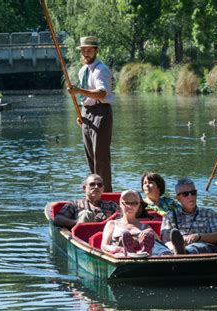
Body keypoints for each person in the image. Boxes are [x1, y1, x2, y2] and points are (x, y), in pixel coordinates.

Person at [67, 36, 114, 192]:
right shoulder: (83, 71)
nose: (86, 53)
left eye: (89, 50)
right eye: (83, 51)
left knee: (100, 158)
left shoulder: (101, 70)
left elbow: (101, 94)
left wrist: (78, 90)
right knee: (91, 157)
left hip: (101, 113)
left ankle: (106, 194)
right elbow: (86, 98)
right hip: (87, 114)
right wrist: (81, 113)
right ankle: (95, 193)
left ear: (96, 51)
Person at [161, 178, 217, 254]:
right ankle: (179, 251)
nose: (190, 196)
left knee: (197, 247)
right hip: (176, 250)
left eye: (193, 192)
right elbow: (165, 239)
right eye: (185, 194)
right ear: (178, 198)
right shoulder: (170, 216)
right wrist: (173, 249)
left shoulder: (209, 213)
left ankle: (184, 252)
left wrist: (198, 237)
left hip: (204, 248)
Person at [101, 190, 171, 257]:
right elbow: (104, 246)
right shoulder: (112, 224)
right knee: (121, 251)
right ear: (120, 204)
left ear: (138, 206)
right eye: (126, 203)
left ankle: (144, 251)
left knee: (152, 240)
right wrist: (117, 249)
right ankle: (129, 251)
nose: (130, 206)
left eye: (134, 203)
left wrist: (150, 232)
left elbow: (159, 242)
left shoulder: (145, 226)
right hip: (121, 254)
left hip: (143, 255)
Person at [54, 174, 119, 229]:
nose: (96, 187)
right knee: (85, 214)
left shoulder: (111, 205)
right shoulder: (74, 204)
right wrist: (77, 222)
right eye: (92, 184)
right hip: (82, 238)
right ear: (84, 188)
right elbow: (58, 219)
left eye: (99, 185)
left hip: (105, 236)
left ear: (103, 189)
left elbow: (124, 219)